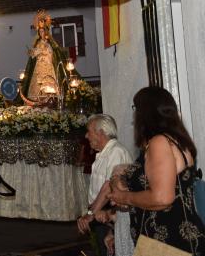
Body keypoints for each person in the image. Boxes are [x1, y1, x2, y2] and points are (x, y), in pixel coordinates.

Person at [108, 87, 205, 254]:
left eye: (136, 108)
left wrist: (124, 197)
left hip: (168, 240)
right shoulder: (175, 140)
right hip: (175, 237)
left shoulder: (159, 143)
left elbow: (162, 198)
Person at [76, 114, 132, 256]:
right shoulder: (105, 153)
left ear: (101, 132)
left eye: (89, 131)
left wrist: (90, 214)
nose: (87, 136)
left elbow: (108, 187)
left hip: (109, 215)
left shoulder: (116, 152)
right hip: (100, 213)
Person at [20, 9, 69, 102]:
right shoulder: (37, 43)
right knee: (37, 82)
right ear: (38, 33)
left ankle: (51, 97)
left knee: (49, 80)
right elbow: (34, 53)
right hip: (39, 66)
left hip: (47, 64)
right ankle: (36, 98)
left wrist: (45, 51)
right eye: (40, 32)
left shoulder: (50, 42)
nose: (41, 33)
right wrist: (32, 53)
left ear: (46, 32)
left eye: (43, 31)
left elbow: (52, 52)